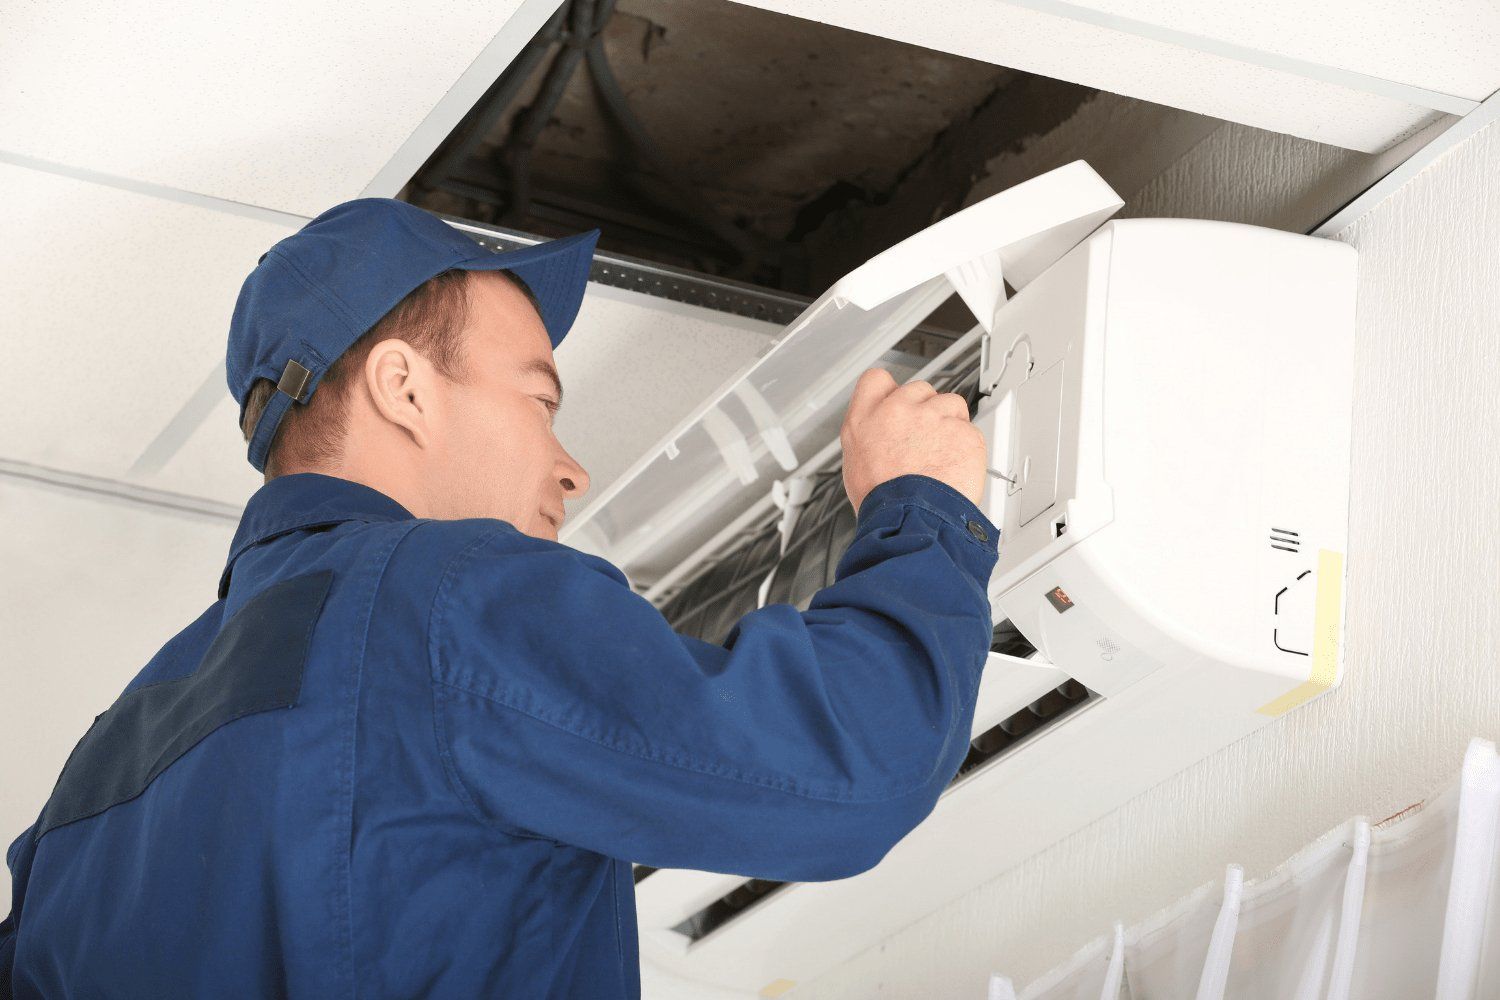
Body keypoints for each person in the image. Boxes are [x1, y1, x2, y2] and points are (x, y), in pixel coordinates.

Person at [1, 198, 997, 998]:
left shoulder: (87, 789)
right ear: (403, 387)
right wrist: (922, 504)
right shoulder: (446, 603)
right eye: (539, 400)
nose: (571, 469)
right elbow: (852, 764)